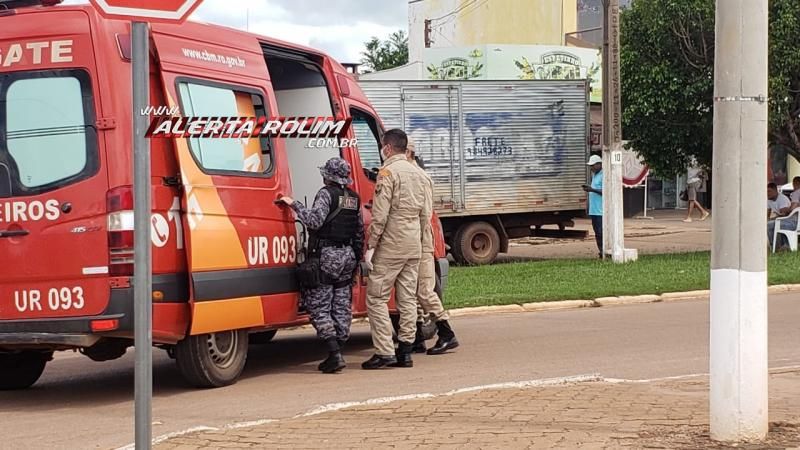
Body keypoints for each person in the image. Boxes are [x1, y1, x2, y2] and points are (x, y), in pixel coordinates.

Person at [278, 157, 363, 374]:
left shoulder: (326, 194)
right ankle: (338, 348)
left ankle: (334, 354)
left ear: (328, 176)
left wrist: (294, 204)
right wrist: (356, 262)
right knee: (341, 305)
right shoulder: (354, 198)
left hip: (327, 256)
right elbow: (359, 232)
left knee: (319, 304)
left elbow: (314, 221)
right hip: (347, 256)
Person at [362, 129, 432, 370]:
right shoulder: (419, 173)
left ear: (388, 148)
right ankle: (406, 350)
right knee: (408, 298)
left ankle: (384, 351)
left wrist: (372, 245)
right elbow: (426, 214)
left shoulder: (387, 173)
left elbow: (380, 215)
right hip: (413, 243)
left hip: (392, 244)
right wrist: (419, 241)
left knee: (376, 297)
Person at [405, 139, 459, 355]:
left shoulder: (420, 177)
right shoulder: (406, 174)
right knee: (412, 292)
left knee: (425, 290)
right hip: (411, 240)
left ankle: (447, 333)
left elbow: (425, 213)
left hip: (420, 240)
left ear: (408, 152)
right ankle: (418, 336)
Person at [582, 155, 603, 258]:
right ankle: (601, 251)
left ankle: (604, 251)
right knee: (597, 232)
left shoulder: (603, 175)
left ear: (599, 164)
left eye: (593, 165)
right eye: (590, 166)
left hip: (601, 211)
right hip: (594, 210)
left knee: (601, 232)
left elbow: (605, 191)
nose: (591, 168)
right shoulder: (595, 175)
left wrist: (592, 190)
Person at [767, 181, 799, 250]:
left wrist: (772, 219)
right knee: (769, 223)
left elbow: (784, 215)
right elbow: (767, 214)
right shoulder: (769, 200)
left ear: (775, 191)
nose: (767, 193)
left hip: (790, 221)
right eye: (766, 191)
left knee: (769, 225)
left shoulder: (783, 199)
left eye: (769, 191)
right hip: (785, 220)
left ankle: (777, 247)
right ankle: (776, 246)